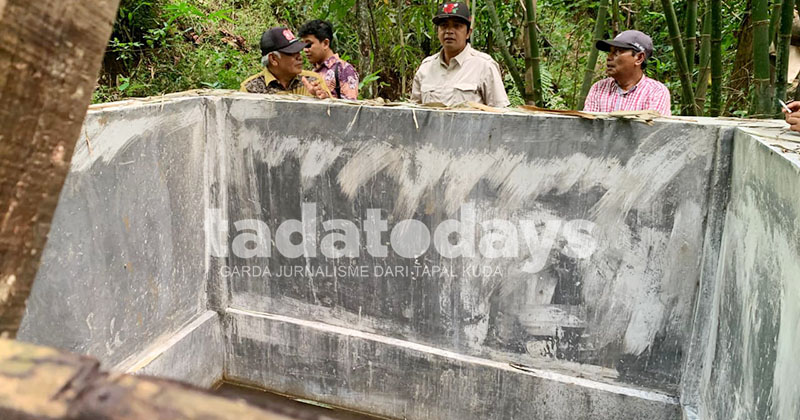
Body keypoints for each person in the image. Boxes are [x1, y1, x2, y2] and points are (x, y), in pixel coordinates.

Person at [411, 2, 509, 107]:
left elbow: (500, 111)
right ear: (437, 31)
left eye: (457, 26)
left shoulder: (484, 66)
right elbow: (414, 111)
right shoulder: (426, 68)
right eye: (444, 26)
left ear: (468, 33)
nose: (449, 31)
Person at [583, 30, 671, 116]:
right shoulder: (599, 88)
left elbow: (653, 125)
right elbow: (589, 125)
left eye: (617, 52)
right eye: (610, 52)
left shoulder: (656, 92)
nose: (609, 57)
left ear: (639, 58)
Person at [241, 27, 330, 97]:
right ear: (273, 59)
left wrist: (323, 99)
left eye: (298, 51)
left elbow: (331, 111)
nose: (299, 57)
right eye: (291, 53)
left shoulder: (313, 81)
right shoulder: (250, 90)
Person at [298, 20, 359, 100]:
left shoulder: (344, 70)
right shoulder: (312, 72)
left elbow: (351, 105)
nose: (305, 50)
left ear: (325, 43)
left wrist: (327, 98)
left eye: (309, 44)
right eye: (303, 45)